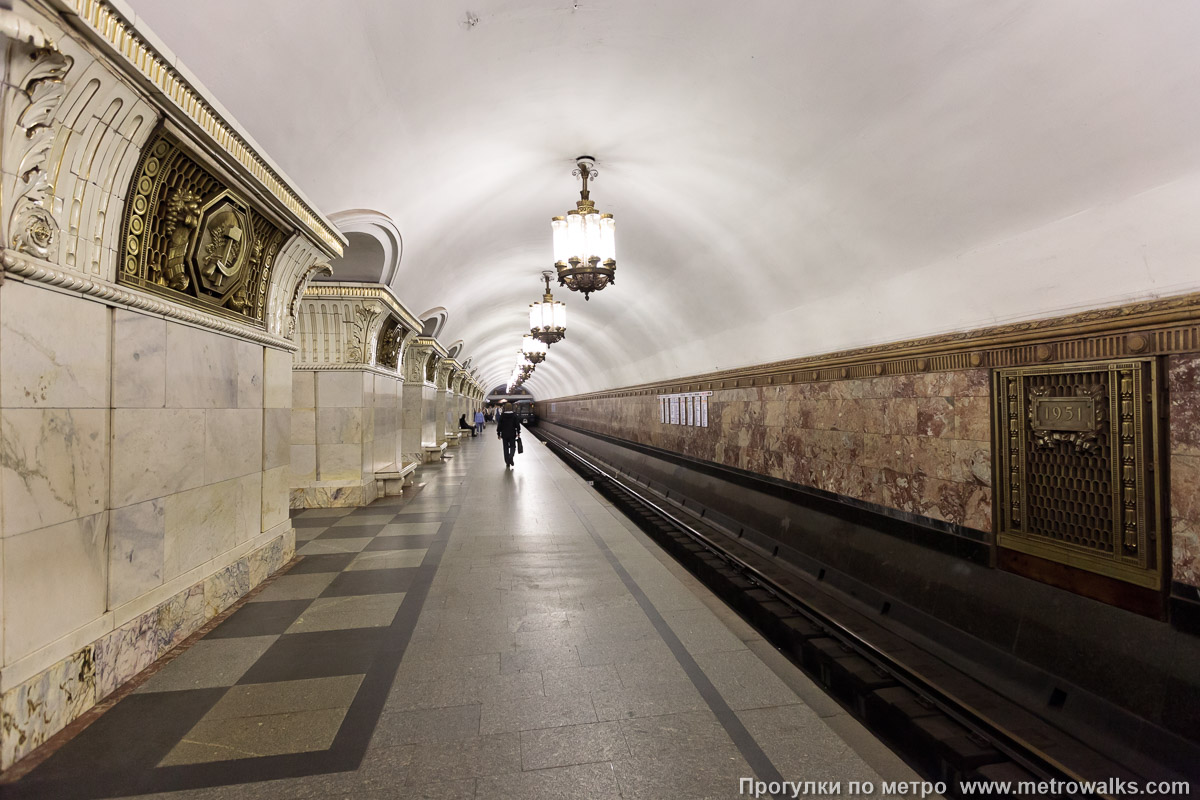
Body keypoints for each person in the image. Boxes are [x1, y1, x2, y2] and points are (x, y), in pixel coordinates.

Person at [495, 401, 522, 468]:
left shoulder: (502, 415)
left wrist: (498, 433)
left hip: (504, 434)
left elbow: (500, 425)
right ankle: (511, 457)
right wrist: (518, 432)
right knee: (513, 447)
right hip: (512, 434)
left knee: (505, 448)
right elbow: (517, 424)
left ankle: (507, 462)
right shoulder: (514, 415)